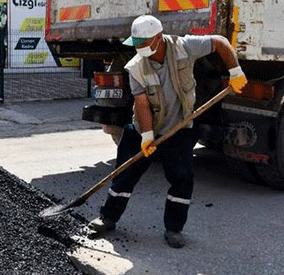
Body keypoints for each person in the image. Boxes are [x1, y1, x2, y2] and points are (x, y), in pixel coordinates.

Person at [83, 15, 247, 248]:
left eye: (142, 43)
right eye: (136, 44)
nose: (138, 48)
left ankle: (174, 229)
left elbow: (220, 41)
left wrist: (235, 71)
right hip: (142, 128)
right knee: (124, 173)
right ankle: (108, 217)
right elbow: (141, 103)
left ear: (157, 38)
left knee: (182, 178)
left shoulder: (185, 47)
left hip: (179, 127)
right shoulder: (136, 66)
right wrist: (148, 135)